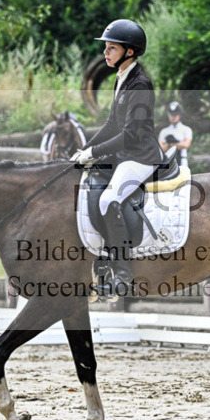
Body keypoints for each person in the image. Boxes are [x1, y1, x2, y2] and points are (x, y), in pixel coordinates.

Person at [70, 19, 163, 297]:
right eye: (106, 48)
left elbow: (131, 134)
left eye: (111, 48)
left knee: (110, 199)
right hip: (125, 154)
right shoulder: (122, 78)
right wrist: (85, 149)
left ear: (130, 52)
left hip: (141, 157)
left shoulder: (140, 85)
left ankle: (122, 274)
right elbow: (112, 123)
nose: (105, 53)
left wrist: (95, 153)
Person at [158, 101, 193, 168]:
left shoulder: (186, 130)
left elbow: (186, 144)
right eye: (171, 114)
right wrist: (178, 144)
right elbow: (161, 149)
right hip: (166, 162)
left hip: (182, 162)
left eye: (175, 114)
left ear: (179, 115)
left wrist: (168, 144)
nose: (173, 117)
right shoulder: (164, 131)